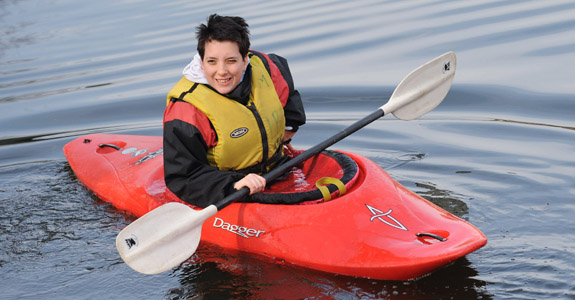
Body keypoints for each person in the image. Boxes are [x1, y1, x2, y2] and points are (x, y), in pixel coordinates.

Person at [163, 14, 306, 208]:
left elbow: (288, 98)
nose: (221, 71)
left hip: (278, 170)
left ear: (245, 59)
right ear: (201, 60)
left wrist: (287, 132)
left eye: (231, 61)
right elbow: (184, 176)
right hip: (229, 189)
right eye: (212, 61)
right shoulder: (187, 109)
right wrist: (233, 184)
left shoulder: (266, 67)